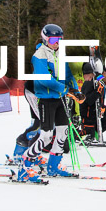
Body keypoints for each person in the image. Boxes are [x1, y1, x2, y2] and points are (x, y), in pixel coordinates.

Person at [14, 24, 85, 182]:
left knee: (62, 133)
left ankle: (53, 166)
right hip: (46, 99)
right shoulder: (40, 55)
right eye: (53, 39)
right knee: (46, 135)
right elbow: (44, 79)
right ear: (45, 38)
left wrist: (76, 90)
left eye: (60, 39)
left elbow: (68, 74)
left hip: (60, 98)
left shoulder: (60, 53)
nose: (56, 42)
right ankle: (24, 167)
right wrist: (66, 90)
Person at [80, 62, 106, 141]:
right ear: (104, 73)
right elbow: (88, 101)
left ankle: (96, 132)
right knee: (87, 133)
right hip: (89, 115)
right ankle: (89, 133)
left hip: (97, 109)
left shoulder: (99, 78)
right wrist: (98, 92)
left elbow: (103, 82)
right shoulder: (90, 81)